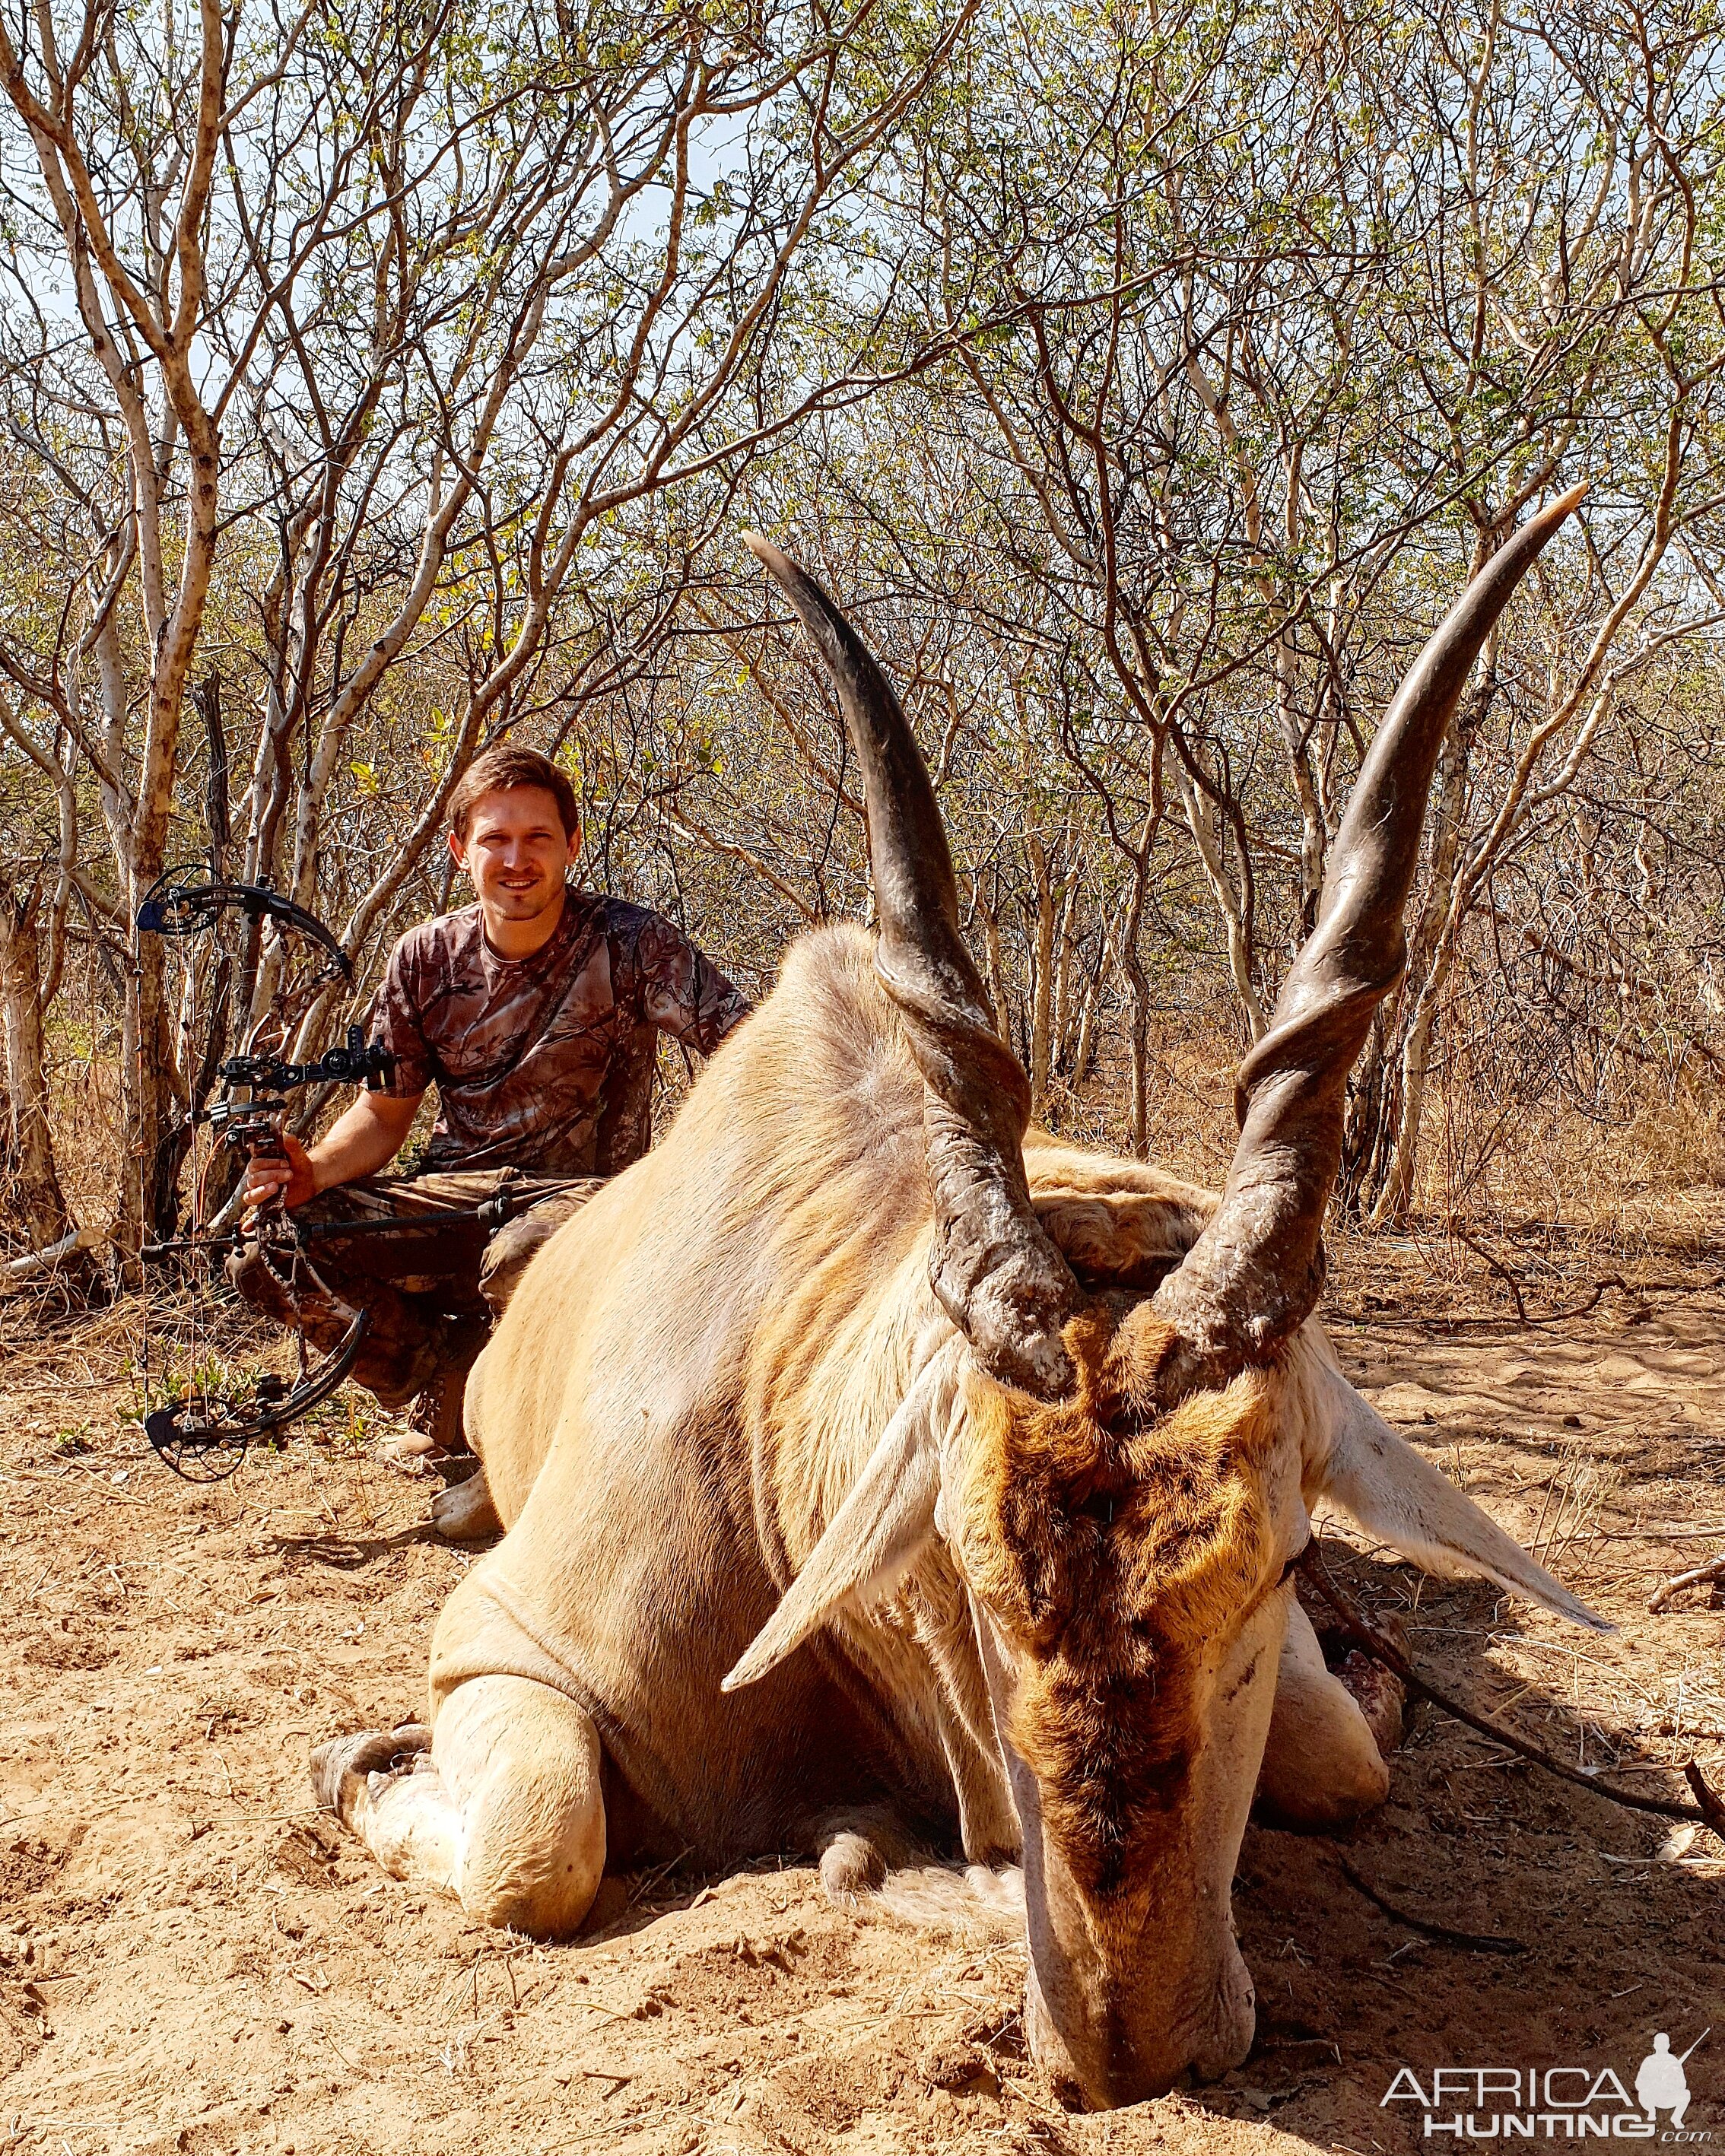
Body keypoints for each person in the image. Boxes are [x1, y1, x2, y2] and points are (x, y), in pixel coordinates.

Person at [232, 742, 750, 1465]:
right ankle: (450, 1388)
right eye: (495, 839)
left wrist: (697, 1178)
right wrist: (312, 1171)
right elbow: (385, 1114)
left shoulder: (633, 943)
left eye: (538, 837)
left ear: (571, 844)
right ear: (459, 850)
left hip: (589, 1209)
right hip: (456, 1196)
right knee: (271, 1246)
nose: (517, 859)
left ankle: (544, 1441)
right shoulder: (423, 957)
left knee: (523, 1258)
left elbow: (749, 1044)